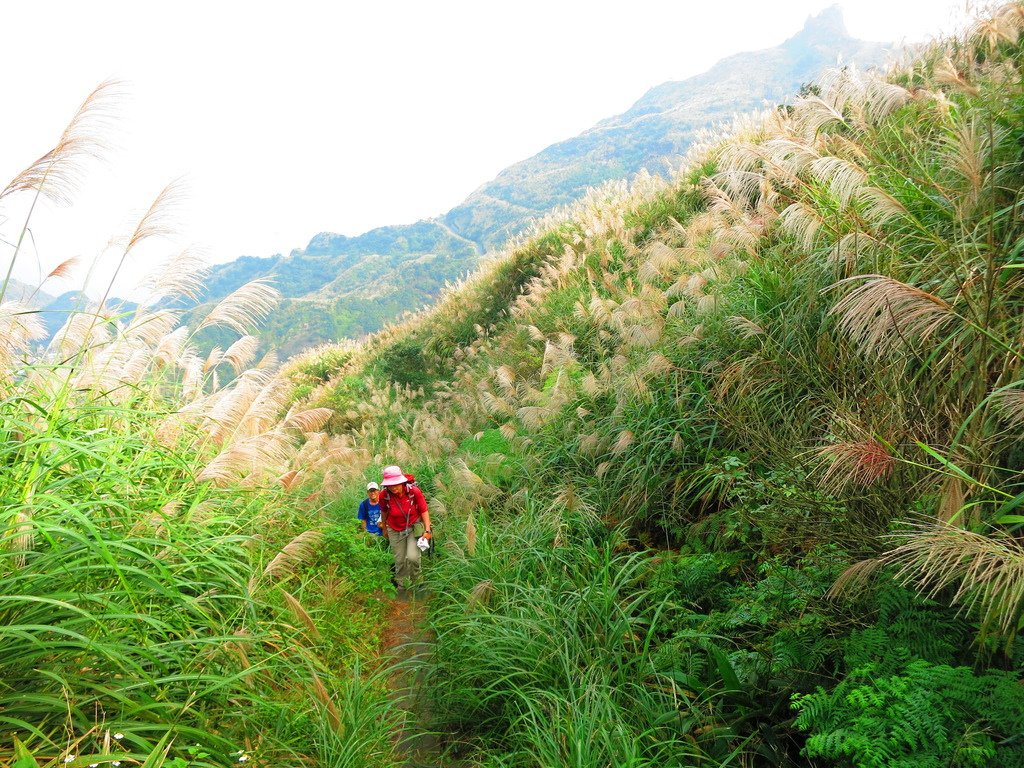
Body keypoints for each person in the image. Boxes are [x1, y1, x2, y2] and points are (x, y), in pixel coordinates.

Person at [379, 465, 432, 593]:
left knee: (413, 557)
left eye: (396, 484)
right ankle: (401, 587)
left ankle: (417, 583)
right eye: (390, 485)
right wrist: (385, 528)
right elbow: (384, 511)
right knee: (400, 560)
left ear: (402, 481)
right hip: (394, 529)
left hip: (413, 527)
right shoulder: (384, 495)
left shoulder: (414, 492)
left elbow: (424, 510)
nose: (393, 487)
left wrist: (427, 530)